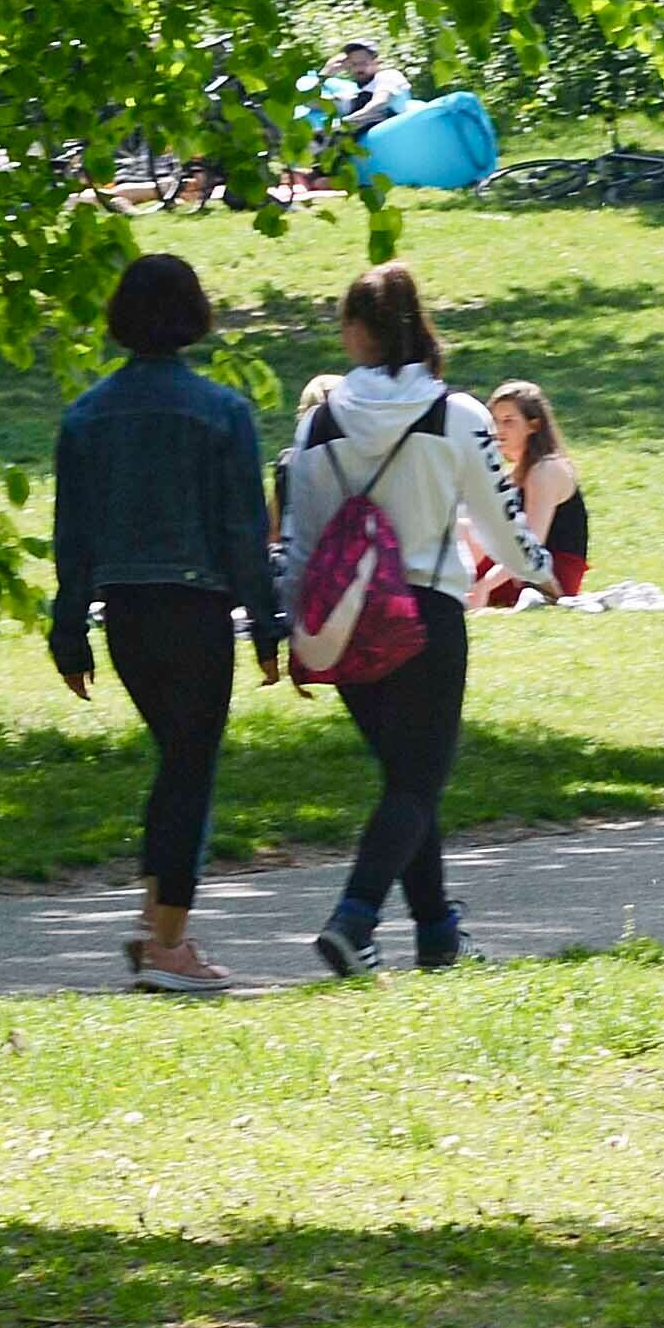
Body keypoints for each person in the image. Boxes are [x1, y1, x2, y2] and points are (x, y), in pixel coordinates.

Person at [275, 262, 544, 977]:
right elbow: (501, 516)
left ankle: (436, 933)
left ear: (357, 332)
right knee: (418, 782)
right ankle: (354, 918)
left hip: (345, 615)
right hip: (426, 610)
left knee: (406, 777)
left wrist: (297, 630)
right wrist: (540, 568)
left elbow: (301, 537)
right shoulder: (457, 415)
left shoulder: (318, 421)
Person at [49, 253, 286, 996]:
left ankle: (157, 921)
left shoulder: (86, 415)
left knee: (174, 761)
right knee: (191, 767)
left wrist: (68, 629)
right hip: (197, 606)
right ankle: (170, 942)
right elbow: (244, 530)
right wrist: (269, 625)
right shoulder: (223, 412)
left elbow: (72, 535)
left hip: (124, 609)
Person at [470, 380, 590, 605]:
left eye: (509, 422)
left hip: (548, 576)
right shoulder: (515, 471)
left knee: (464, 532)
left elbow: (531, 548)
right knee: (464, 526)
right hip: (515, 568)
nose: (498, 431)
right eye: (495, 421)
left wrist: (484, 584)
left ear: (533, 425)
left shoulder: (546, 470)